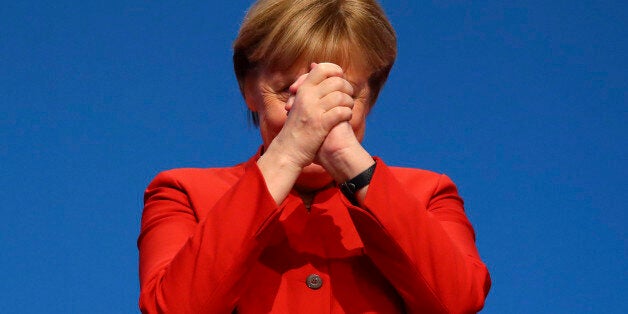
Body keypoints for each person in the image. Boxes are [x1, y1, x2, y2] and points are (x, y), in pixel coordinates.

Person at [137, 0, 491, 313]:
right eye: (288, 91)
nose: (310, 112)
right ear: (249, 89)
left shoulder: (428, 193)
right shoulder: (183, 192)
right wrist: (289, 151)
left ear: (371, 97)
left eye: (339, 94)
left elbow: (457, 301)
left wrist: (346, 157)